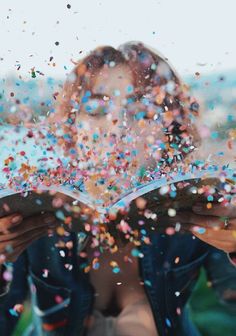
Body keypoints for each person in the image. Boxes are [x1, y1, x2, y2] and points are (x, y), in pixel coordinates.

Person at [0, 41, 236, 336]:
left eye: (141, 112)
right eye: (97, 109)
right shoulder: (36, 204)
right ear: (73, 127)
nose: (117, 127)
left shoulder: (194, 204)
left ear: (168, 130)